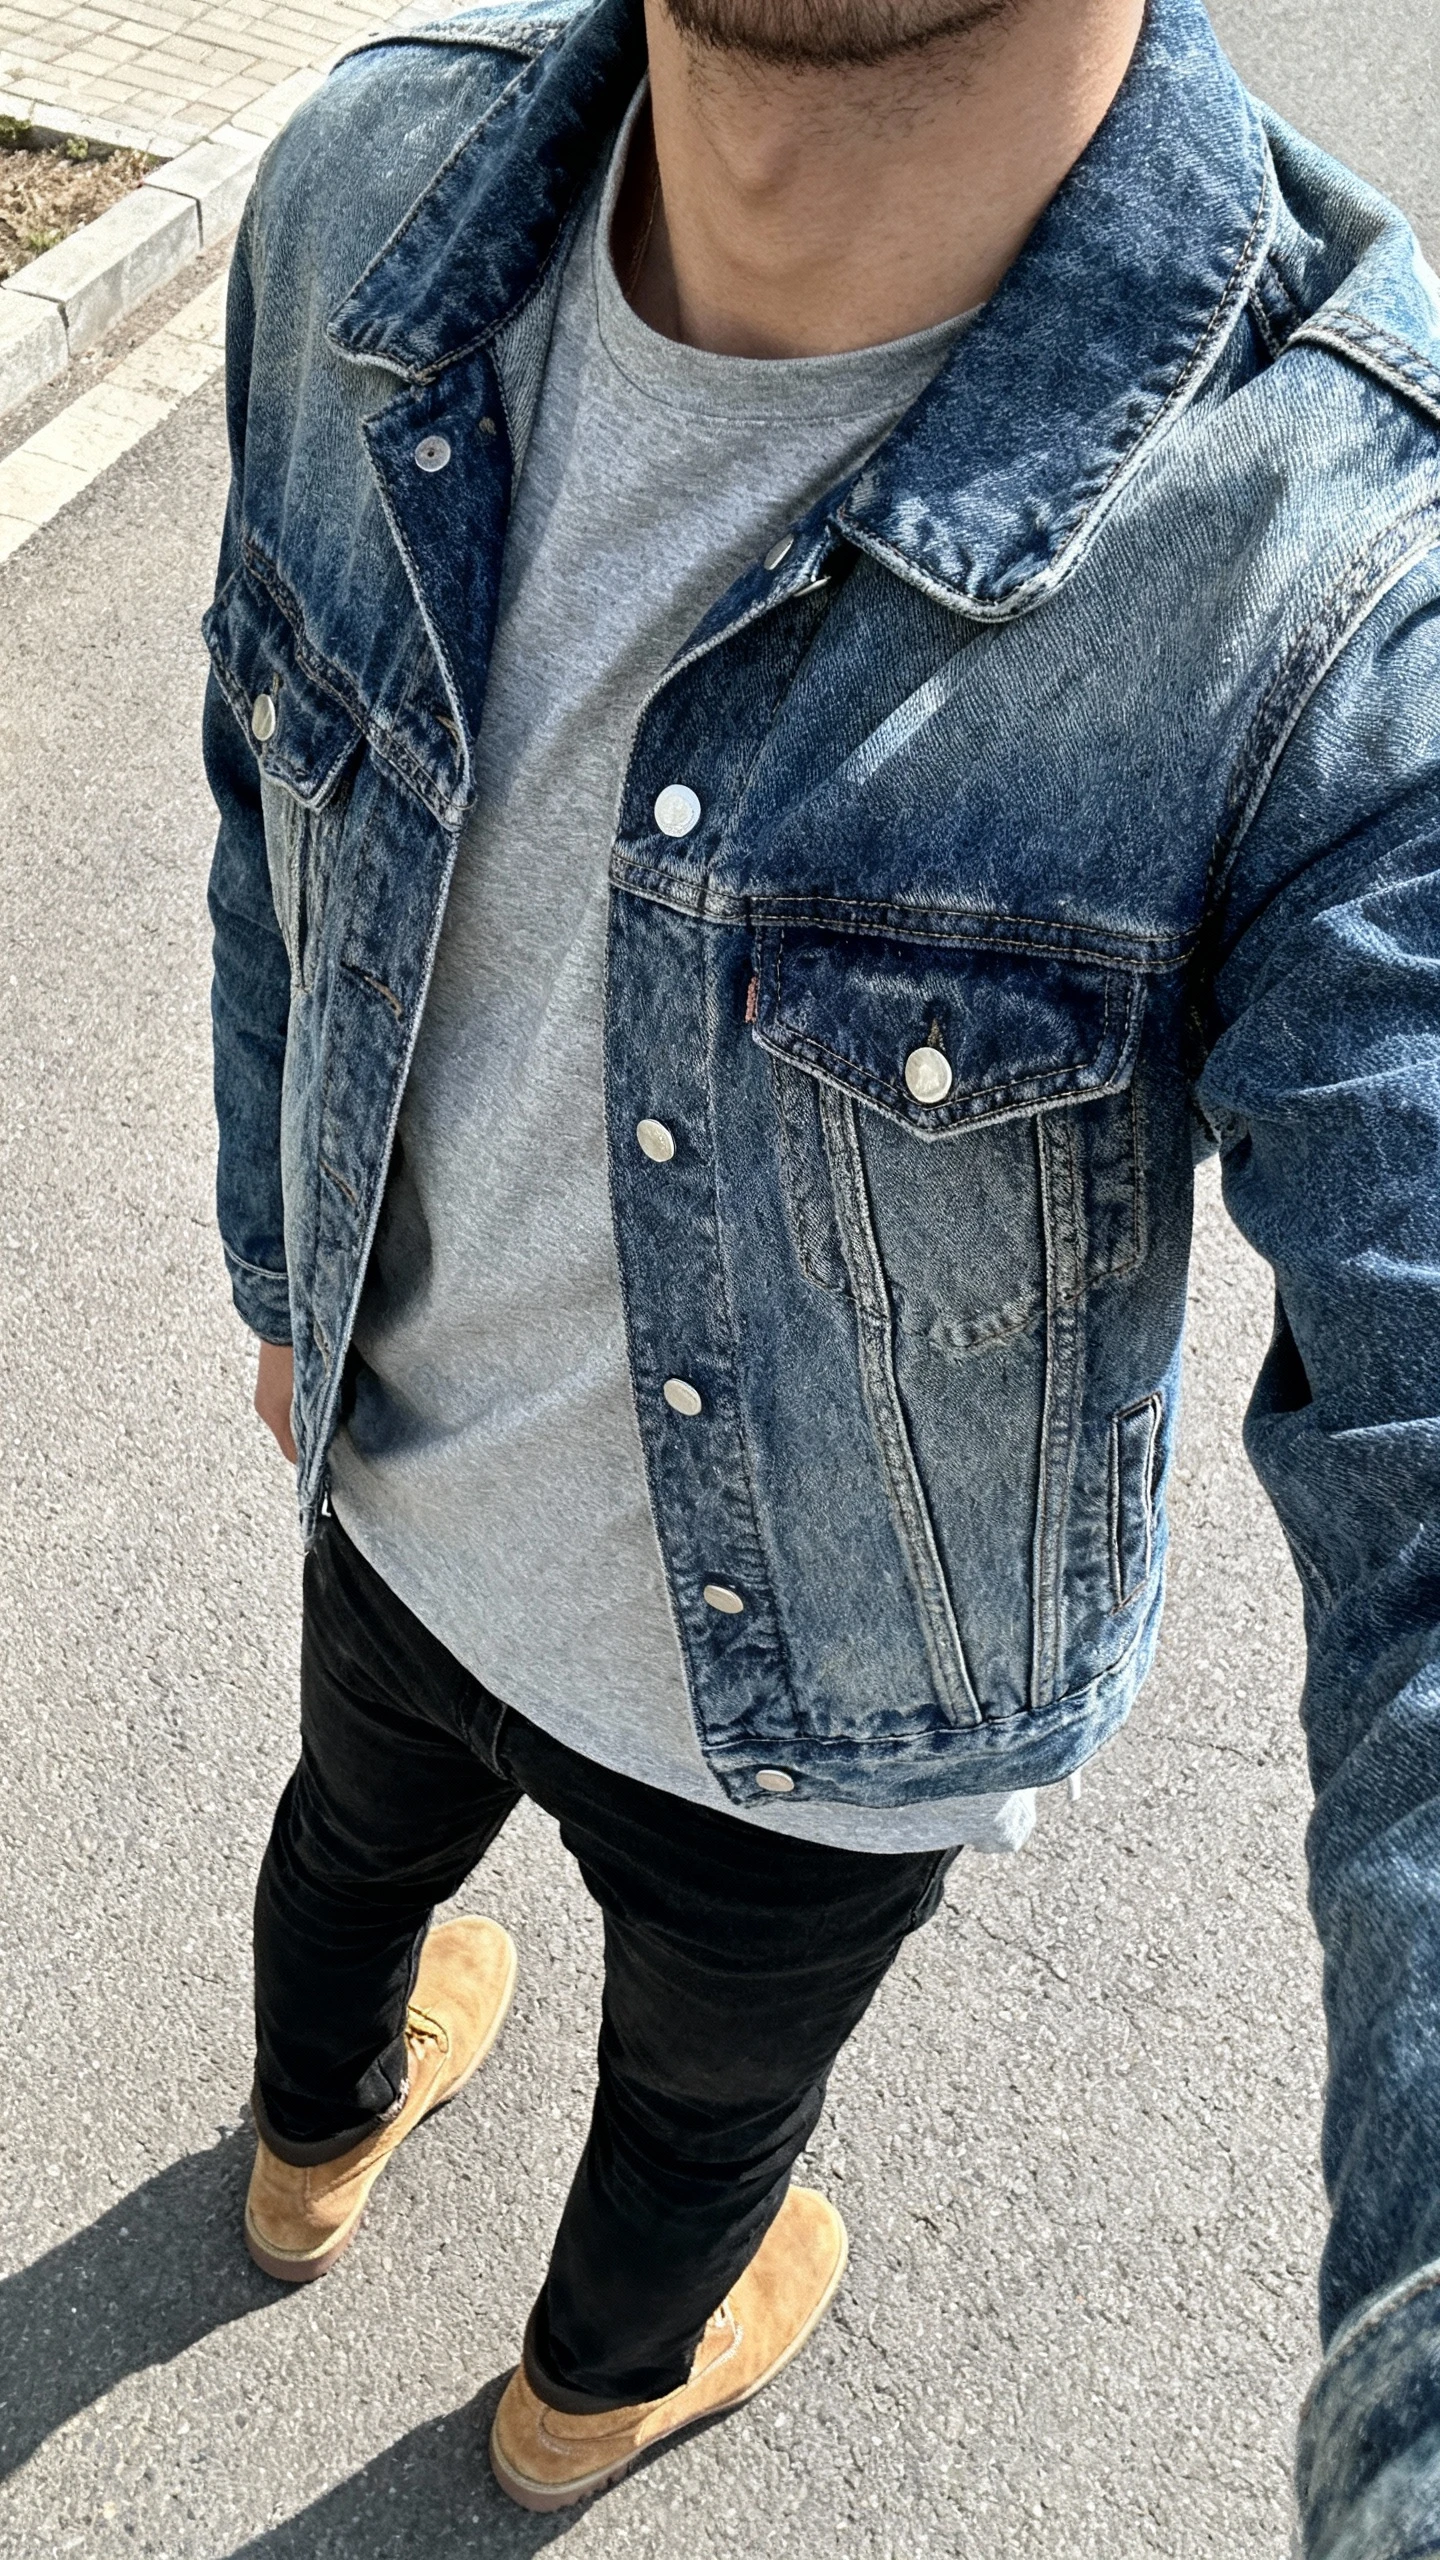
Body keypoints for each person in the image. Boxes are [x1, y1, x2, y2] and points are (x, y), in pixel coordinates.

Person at [202, 0, 1440, 2533]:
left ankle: (315, 2166)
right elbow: (268, 826)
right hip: (476, 1540)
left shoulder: (1342, 557)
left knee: (365, 1876)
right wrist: (270, 1248)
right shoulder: (355, 197)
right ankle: (569, 2390)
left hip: (687, 1660)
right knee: (672, 2082)